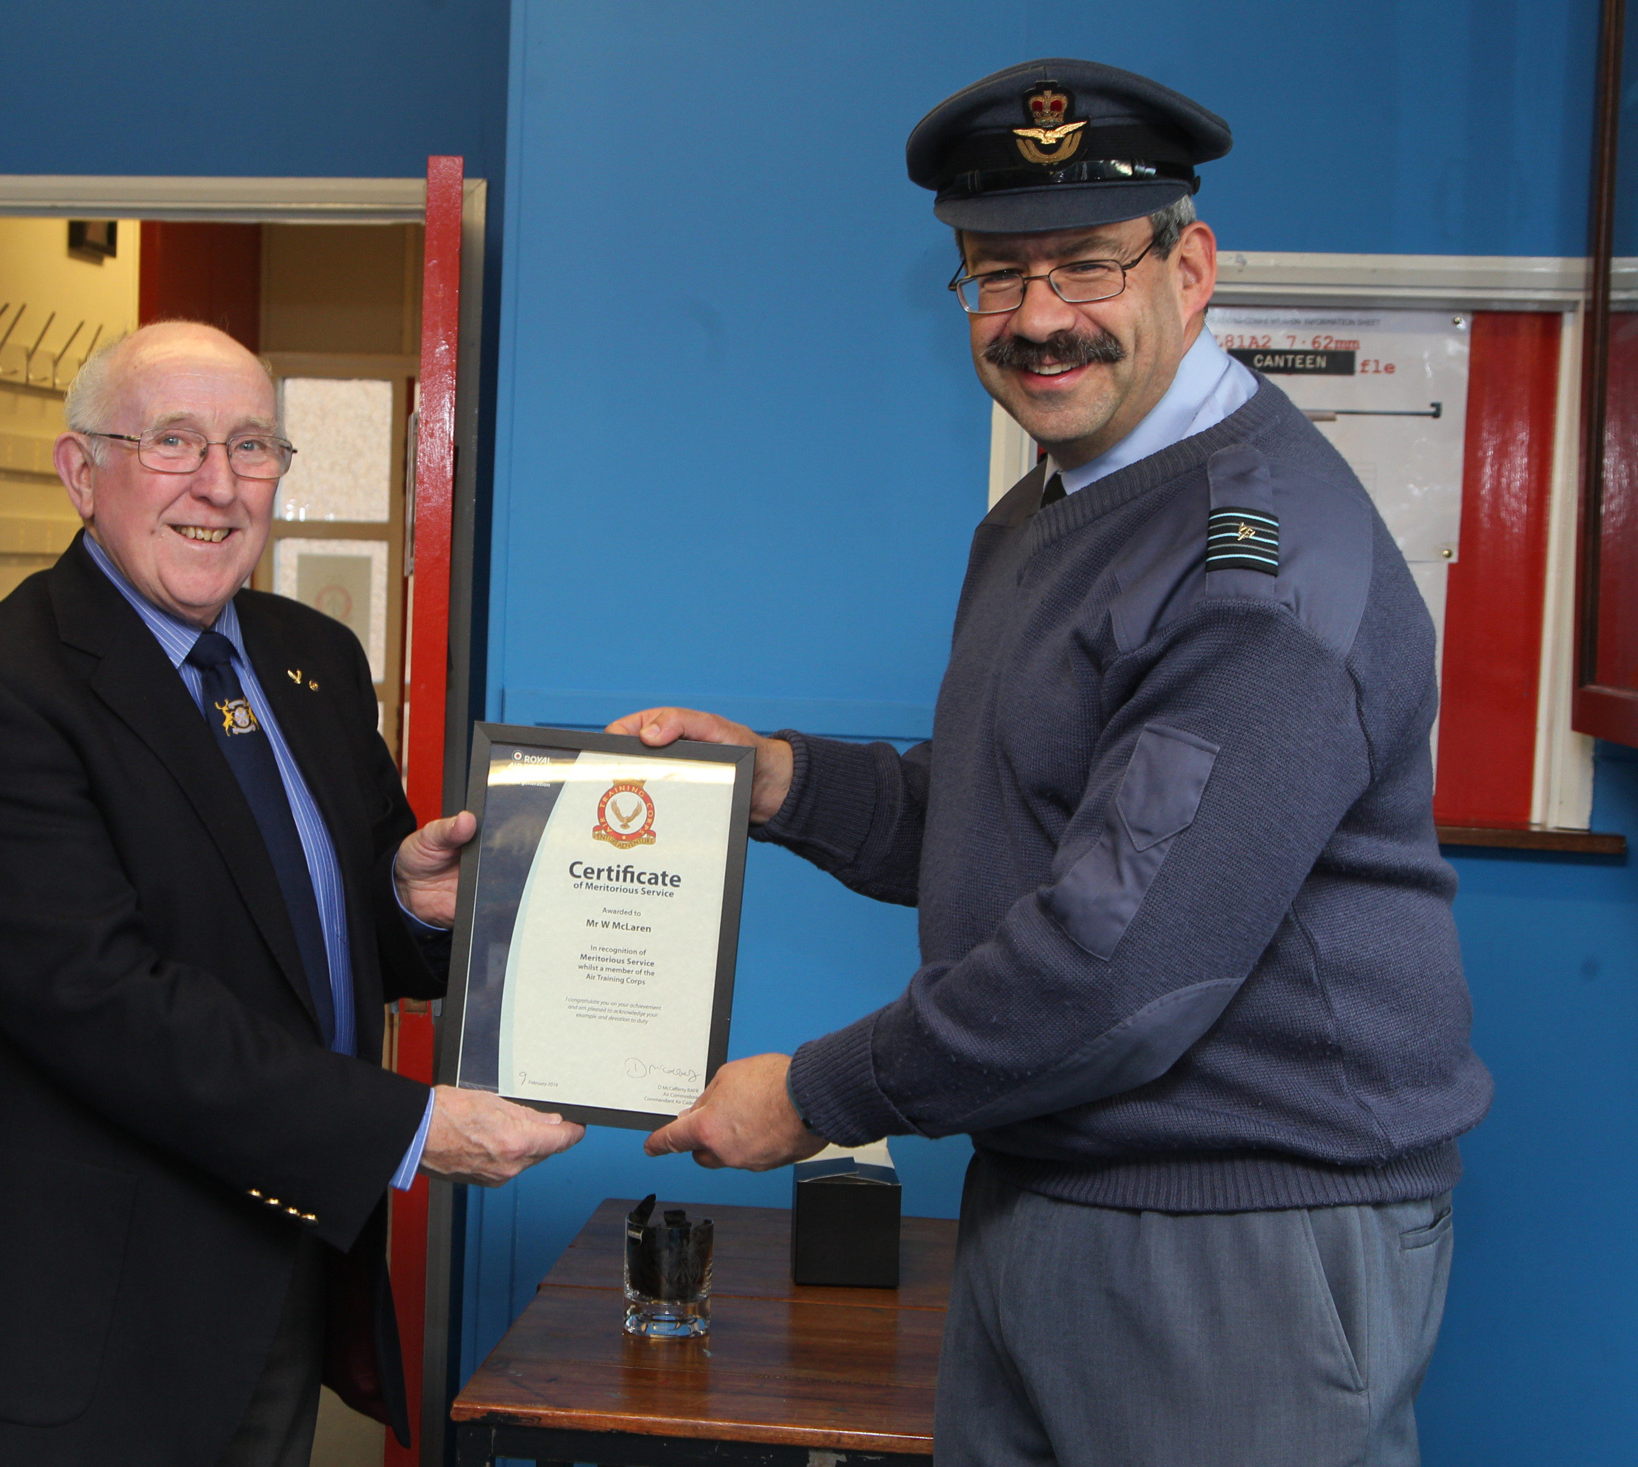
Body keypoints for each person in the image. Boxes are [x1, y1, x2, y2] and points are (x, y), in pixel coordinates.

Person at [614, 59, 1491, 1467]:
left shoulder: (1250, 561)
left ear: (1189, 268)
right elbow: (1008, 822)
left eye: (1086, 265)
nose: (1036, 321)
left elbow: (1116, 958)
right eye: (993, 274)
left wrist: (815, 1094)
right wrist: (777, 779)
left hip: (1236, 1236)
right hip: (1051, 1184)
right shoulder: (1048, 510)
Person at [0, 322, 583, 1467]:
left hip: (270, 1267)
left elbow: (311, 930)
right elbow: (97, 1002)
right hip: (69, 1320)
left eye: (251, 446)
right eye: (171, 442)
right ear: (82, 473)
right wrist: (412, 1125)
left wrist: (407, 901)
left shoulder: (312, 658)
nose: (218, 485)